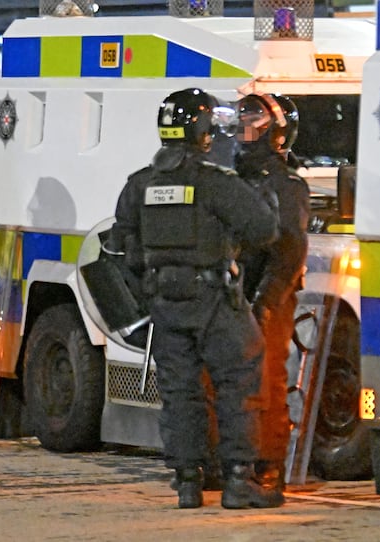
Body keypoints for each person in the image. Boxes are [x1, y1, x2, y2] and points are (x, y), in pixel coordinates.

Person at [107, 88, 282, 509]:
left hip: (164, 304)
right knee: (238, 382)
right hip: (214, 301)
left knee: (181, 392)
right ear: (202, 131)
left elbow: (119, 244)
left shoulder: (140, 184)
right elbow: (264, 229)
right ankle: (240, 480)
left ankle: (188, 482)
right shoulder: (213, 182)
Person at [235, 92, 310, 492]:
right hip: (234, 295)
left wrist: (266, 302)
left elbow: (290, 249)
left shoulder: (286, 185)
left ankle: (268, 465)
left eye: (253, 125)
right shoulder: (231, 181)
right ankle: (230, 463)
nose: (244, 134)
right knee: (225, 382)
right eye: (242, 125)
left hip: (267, 299)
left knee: (266, 380)